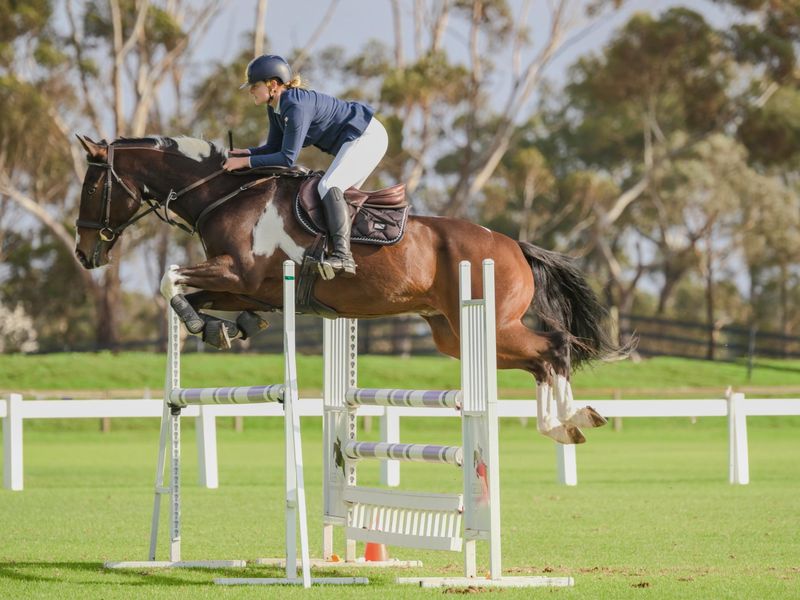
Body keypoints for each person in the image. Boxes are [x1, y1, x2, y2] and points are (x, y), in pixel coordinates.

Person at [223, 54, 388, 278]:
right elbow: (273, 147)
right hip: (355, 138)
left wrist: (244, 162)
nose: (250, 90)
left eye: (254, 85)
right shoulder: (276, 106)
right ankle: (336, 252)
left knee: (329, 186)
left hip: (367, 136)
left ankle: (343, 256)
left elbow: (287, 159)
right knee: (336, 195)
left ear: (273, 84)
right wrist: (248, 152)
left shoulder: (295, 106)